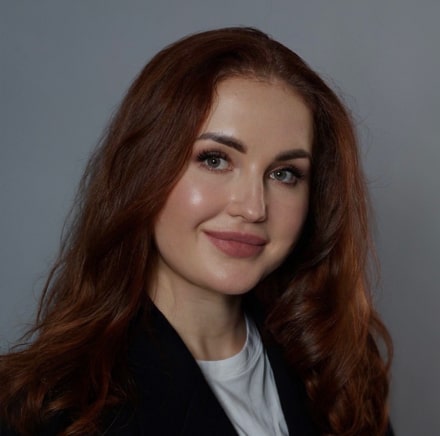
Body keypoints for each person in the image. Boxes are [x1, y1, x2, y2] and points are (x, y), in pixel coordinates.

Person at [0, 27, 393, 436]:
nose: (253, 208)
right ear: (143, 170)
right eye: (215, 160)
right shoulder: (47, 413)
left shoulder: (337, 371)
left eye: (284, 173)